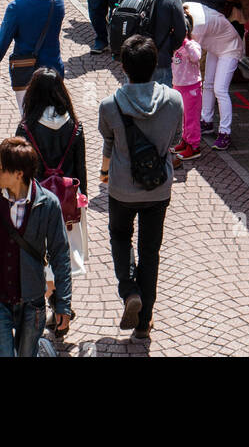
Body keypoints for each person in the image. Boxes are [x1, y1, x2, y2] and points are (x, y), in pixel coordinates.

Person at [98, 35, 183, 340]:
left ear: (123, 66)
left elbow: (109, 142)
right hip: (159, 189)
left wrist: (104, 171)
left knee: (120, 238)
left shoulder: (110, 105)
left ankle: (128, 289)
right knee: (150, 252)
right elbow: (175, 141)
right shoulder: (174, 100)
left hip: (121, 188)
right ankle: (144, 322)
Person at [0, 136, 72, 357]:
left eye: (0, 168)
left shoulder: (48, 204)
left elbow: (60, 254)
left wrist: (63, 303)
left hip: (31, 302)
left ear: (19, 174)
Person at [16, 68, 88, 326]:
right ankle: (63, 312)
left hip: (37, 202)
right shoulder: (75, 125)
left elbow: (21, 171)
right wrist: (83, 197)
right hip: (68, 201)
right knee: (65, 256)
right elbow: (81, 167)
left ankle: (57, 307)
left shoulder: (27, 128)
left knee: (41, 258)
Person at [0, 0, 65, 111]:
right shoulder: (58, 1)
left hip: (27, 73)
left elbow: (0, 46)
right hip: (54, 69)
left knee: (29, 124)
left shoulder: (16, 7)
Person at [184, 0, 244, 151]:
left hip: (230, 47)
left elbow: (193, 55)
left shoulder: (198, 27)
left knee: (220, 90)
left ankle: (225, 133)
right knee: (208, 84)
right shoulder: (187, 8)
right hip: (215, 45)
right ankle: (207, 121)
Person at [172, 7, 203, 161]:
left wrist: (186, 42)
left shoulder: (192, 45)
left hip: (191, 88)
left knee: (191, 118)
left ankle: (194, 146)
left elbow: (196, 57)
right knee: (184, 117)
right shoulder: (175, 45)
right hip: (178, 86)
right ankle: (185, 140)